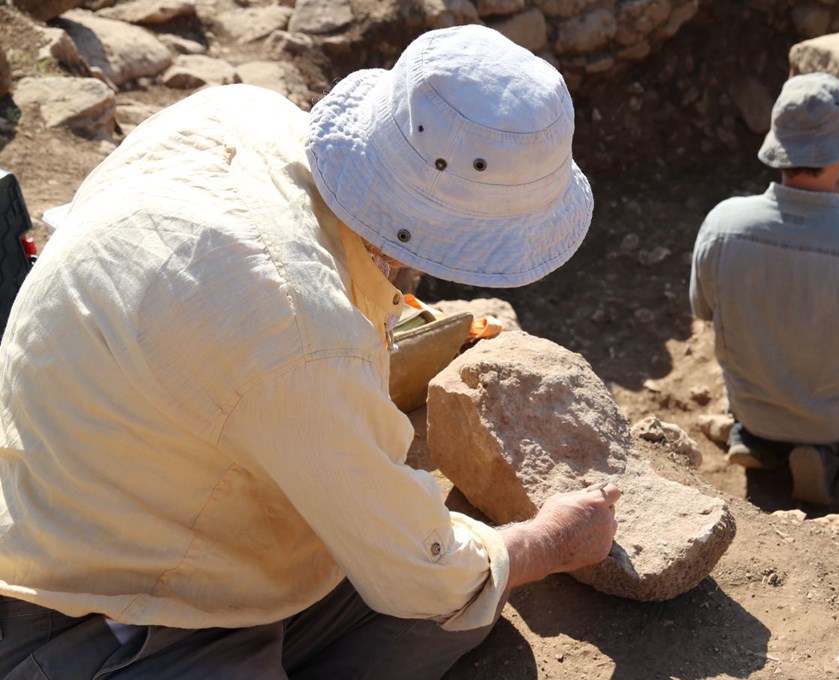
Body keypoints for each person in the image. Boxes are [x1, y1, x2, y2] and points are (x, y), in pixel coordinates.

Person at [0, 26, 619, 678]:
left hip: (161, 486)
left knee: (455, 605)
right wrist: (549, 542)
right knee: (447, 589)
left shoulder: (242, 112)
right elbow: (426, 572)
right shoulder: (301, 333)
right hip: (93, 609)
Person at [689, 73, 839, 506]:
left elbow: (702, 310)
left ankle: (755, 441)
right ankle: (828, 454)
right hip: (834, 417)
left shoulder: (722, 224)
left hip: (752, 406)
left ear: (779, 149)